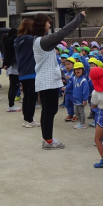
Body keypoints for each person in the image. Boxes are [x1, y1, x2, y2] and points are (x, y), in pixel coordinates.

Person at [32, 11, 86, 149]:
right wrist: (79, 18)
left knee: (47, 111)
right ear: (42, 24)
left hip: (45, 80)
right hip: (48, 81)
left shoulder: (39, 40)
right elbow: (63, 32)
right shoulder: (43, 41)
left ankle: (47, 139)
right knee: (50, 111)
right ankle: (48, 141)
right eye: (48, 22)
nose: (49, 24)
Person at [14, 18, 39, 128]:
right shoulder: (30, 39)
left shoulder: (17, 39)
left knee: (27, 96)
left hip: (22, 72)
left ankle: (27, 119)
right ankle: (29, 120)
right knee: (32, 97)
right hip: (31, 71)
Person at [2, 28, 21, 112]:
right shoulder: (13, 40)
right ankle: (11, 105)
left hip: (10, 66)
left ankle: (11, 104)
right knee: (14, 86)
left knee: (12, 86)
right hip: (14, 67)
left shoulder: (7, 41)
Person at [72, 62, 90, 129]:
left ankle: (82, 124)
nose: (77, 70)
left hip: (81, 99)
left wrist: (85, 99)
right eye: (76, 69)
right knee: (76, 112)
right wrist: (66, 88)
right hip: (75, 99)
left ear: (82, 70)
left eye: (79, 69)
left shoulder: (84, 80)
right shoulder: (74, 78)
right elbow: (71, 86)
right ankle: (80, 122)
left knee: (81, 112)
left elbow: (85, 91)